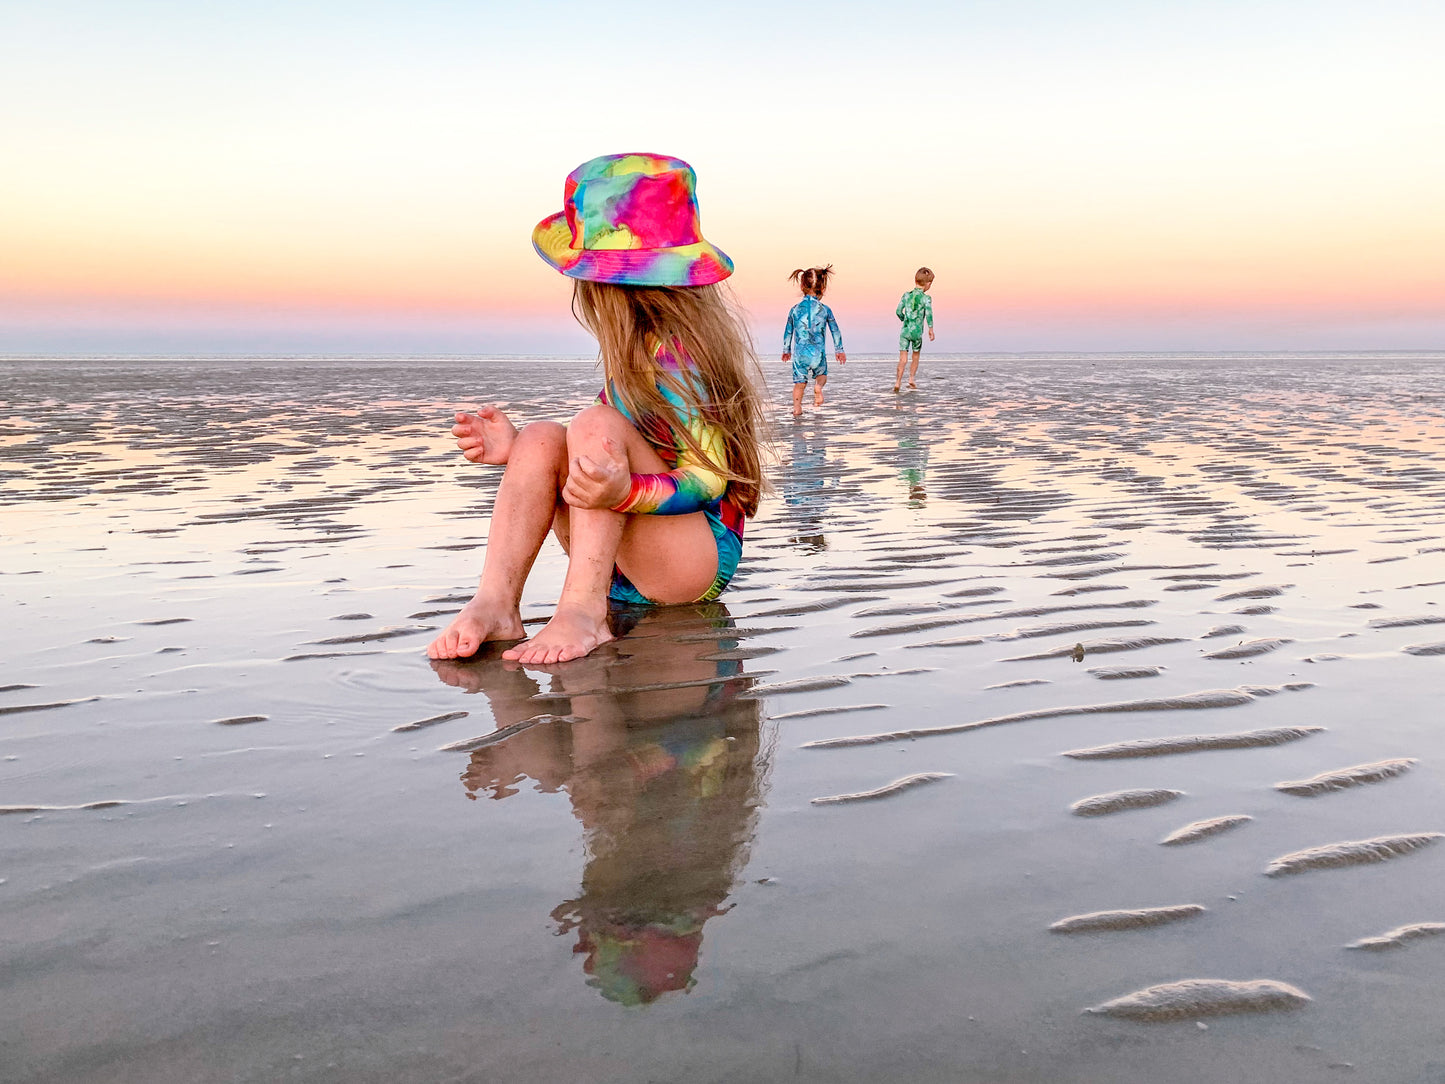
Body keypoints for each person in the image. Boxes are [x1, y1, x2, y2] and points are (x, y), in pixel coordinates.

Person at [426, 152, 768, 665]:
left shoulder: (678, 354)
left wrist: (626, 491)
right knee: (543, 435)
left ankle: (583, 612)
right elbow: (614, 450)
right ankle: (495, 604)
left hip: (692, 562)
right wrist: (518, 452)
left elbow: (708, 480)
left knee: (592, 424)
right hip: (632, 564)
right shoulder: (631, 353)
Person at [781, 265, 846, 416]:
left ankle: (797, 408)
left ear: (802, 286)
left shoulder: (795, 310)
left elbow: (788, 331)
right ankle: (818, 388)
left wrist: (786, 350)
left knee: (799, 384)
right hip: (818, 353)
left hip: (800, 354)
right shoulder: (825, 310)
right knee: (822, 376)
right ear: (822, 288)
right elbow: (835, 330)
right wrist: (839, 349)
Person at [894, 266, 935, 393]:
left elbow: (898, 311)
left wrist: (904, 319)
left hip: (905, 331)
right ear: (928, 284)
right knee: (915, 356)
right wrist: (930, 328)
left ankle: (898, 382)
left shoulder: (906, 295)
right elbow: (928, 313)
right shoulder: (926, 298)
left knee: (903, 358)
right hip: (917, 332)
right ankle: (911, 378)